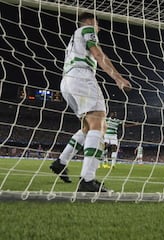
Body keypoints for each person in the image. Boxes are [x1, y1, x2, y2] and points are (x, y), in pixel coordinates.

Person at [49, 12, 131, 192]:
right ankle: (88, 179)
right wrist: (117, 78)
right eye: (97, 24)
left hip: (68, 81)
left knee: (87, 128)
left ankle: (60, 161)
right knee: (99, 124)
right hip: (81, 78)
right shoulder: (86, 29)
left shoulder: (72, 42)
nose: (98, 28)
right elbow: (99, 54)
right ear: (89, 22)